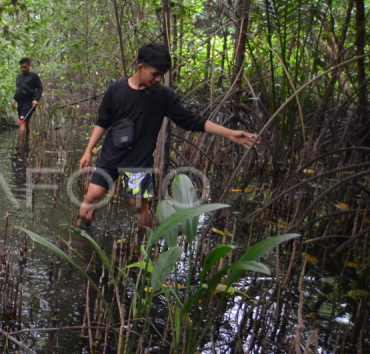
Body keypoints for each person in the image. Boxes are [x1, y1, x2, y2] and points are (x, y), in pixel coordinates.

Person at [77, 43, 257, 229]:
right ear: (140, 67)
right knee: (91, 197)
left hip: (139, 161)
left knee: (139, 207)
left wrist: (230, 134)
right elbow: (102, 121)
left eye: (161, 75)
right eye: (155, 73)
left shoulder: (163, 96)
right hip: (111, 156)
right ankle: (80, 241)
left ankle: (147, 244)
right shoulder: (116, 90)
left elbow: (191, 121)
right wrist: (88, 151)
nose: (158, 78)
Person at [11, 57, 43, 139]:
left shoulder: (34, 76)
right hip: (20, 103)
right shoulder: (19, 77)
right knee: (26, 122)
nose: (22, 69)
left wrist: (36, 100)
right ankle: (28, 140)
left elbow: (40, 88)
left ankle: (19, 145)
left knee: (21, 122)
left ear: (29, 66)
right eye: (21, 67)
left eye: (24, 67)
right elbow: (18, 89)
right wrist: (14, 98)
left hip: (29, 103)